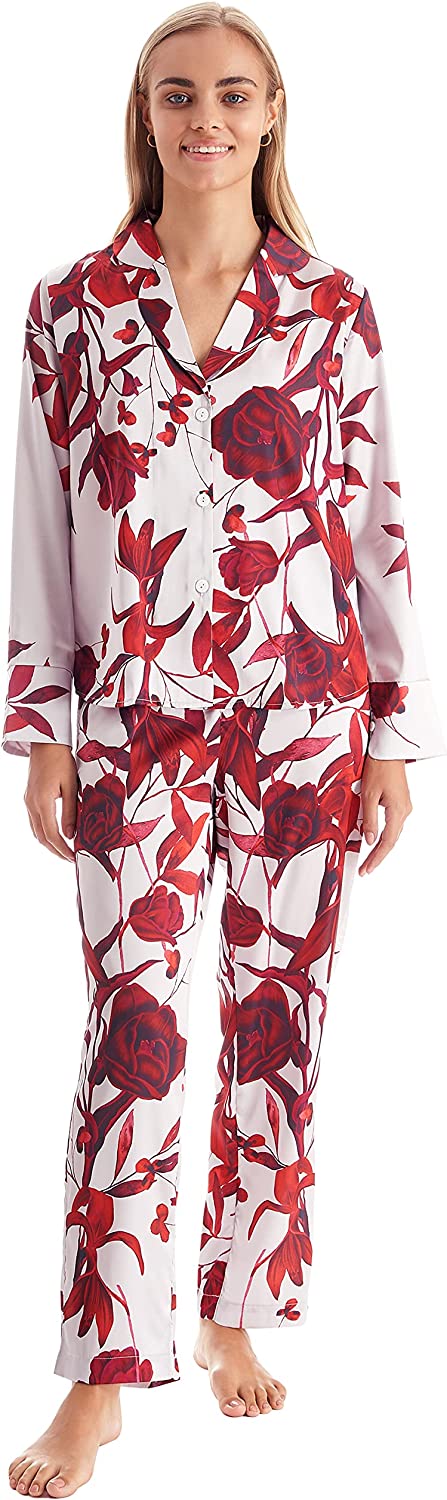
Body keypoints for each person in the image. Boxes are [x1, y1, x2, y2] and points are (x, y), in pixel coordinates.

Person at [4, 3, 447, 1495]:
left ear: (271, 116)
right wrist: (44, 728)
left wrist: (391, 733)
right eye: (181, 93)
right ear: (147, 115)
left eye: (235, 94)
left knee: (278, 1023)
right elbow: (43, 528)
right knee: (132, 1027)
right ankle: (101, 1374)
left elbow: (377, 525)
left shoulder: (334, 306)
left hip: (306, 714)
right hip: (132, 718)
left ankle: (236, 1307)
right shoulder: (72, 306)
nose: (207, 117)